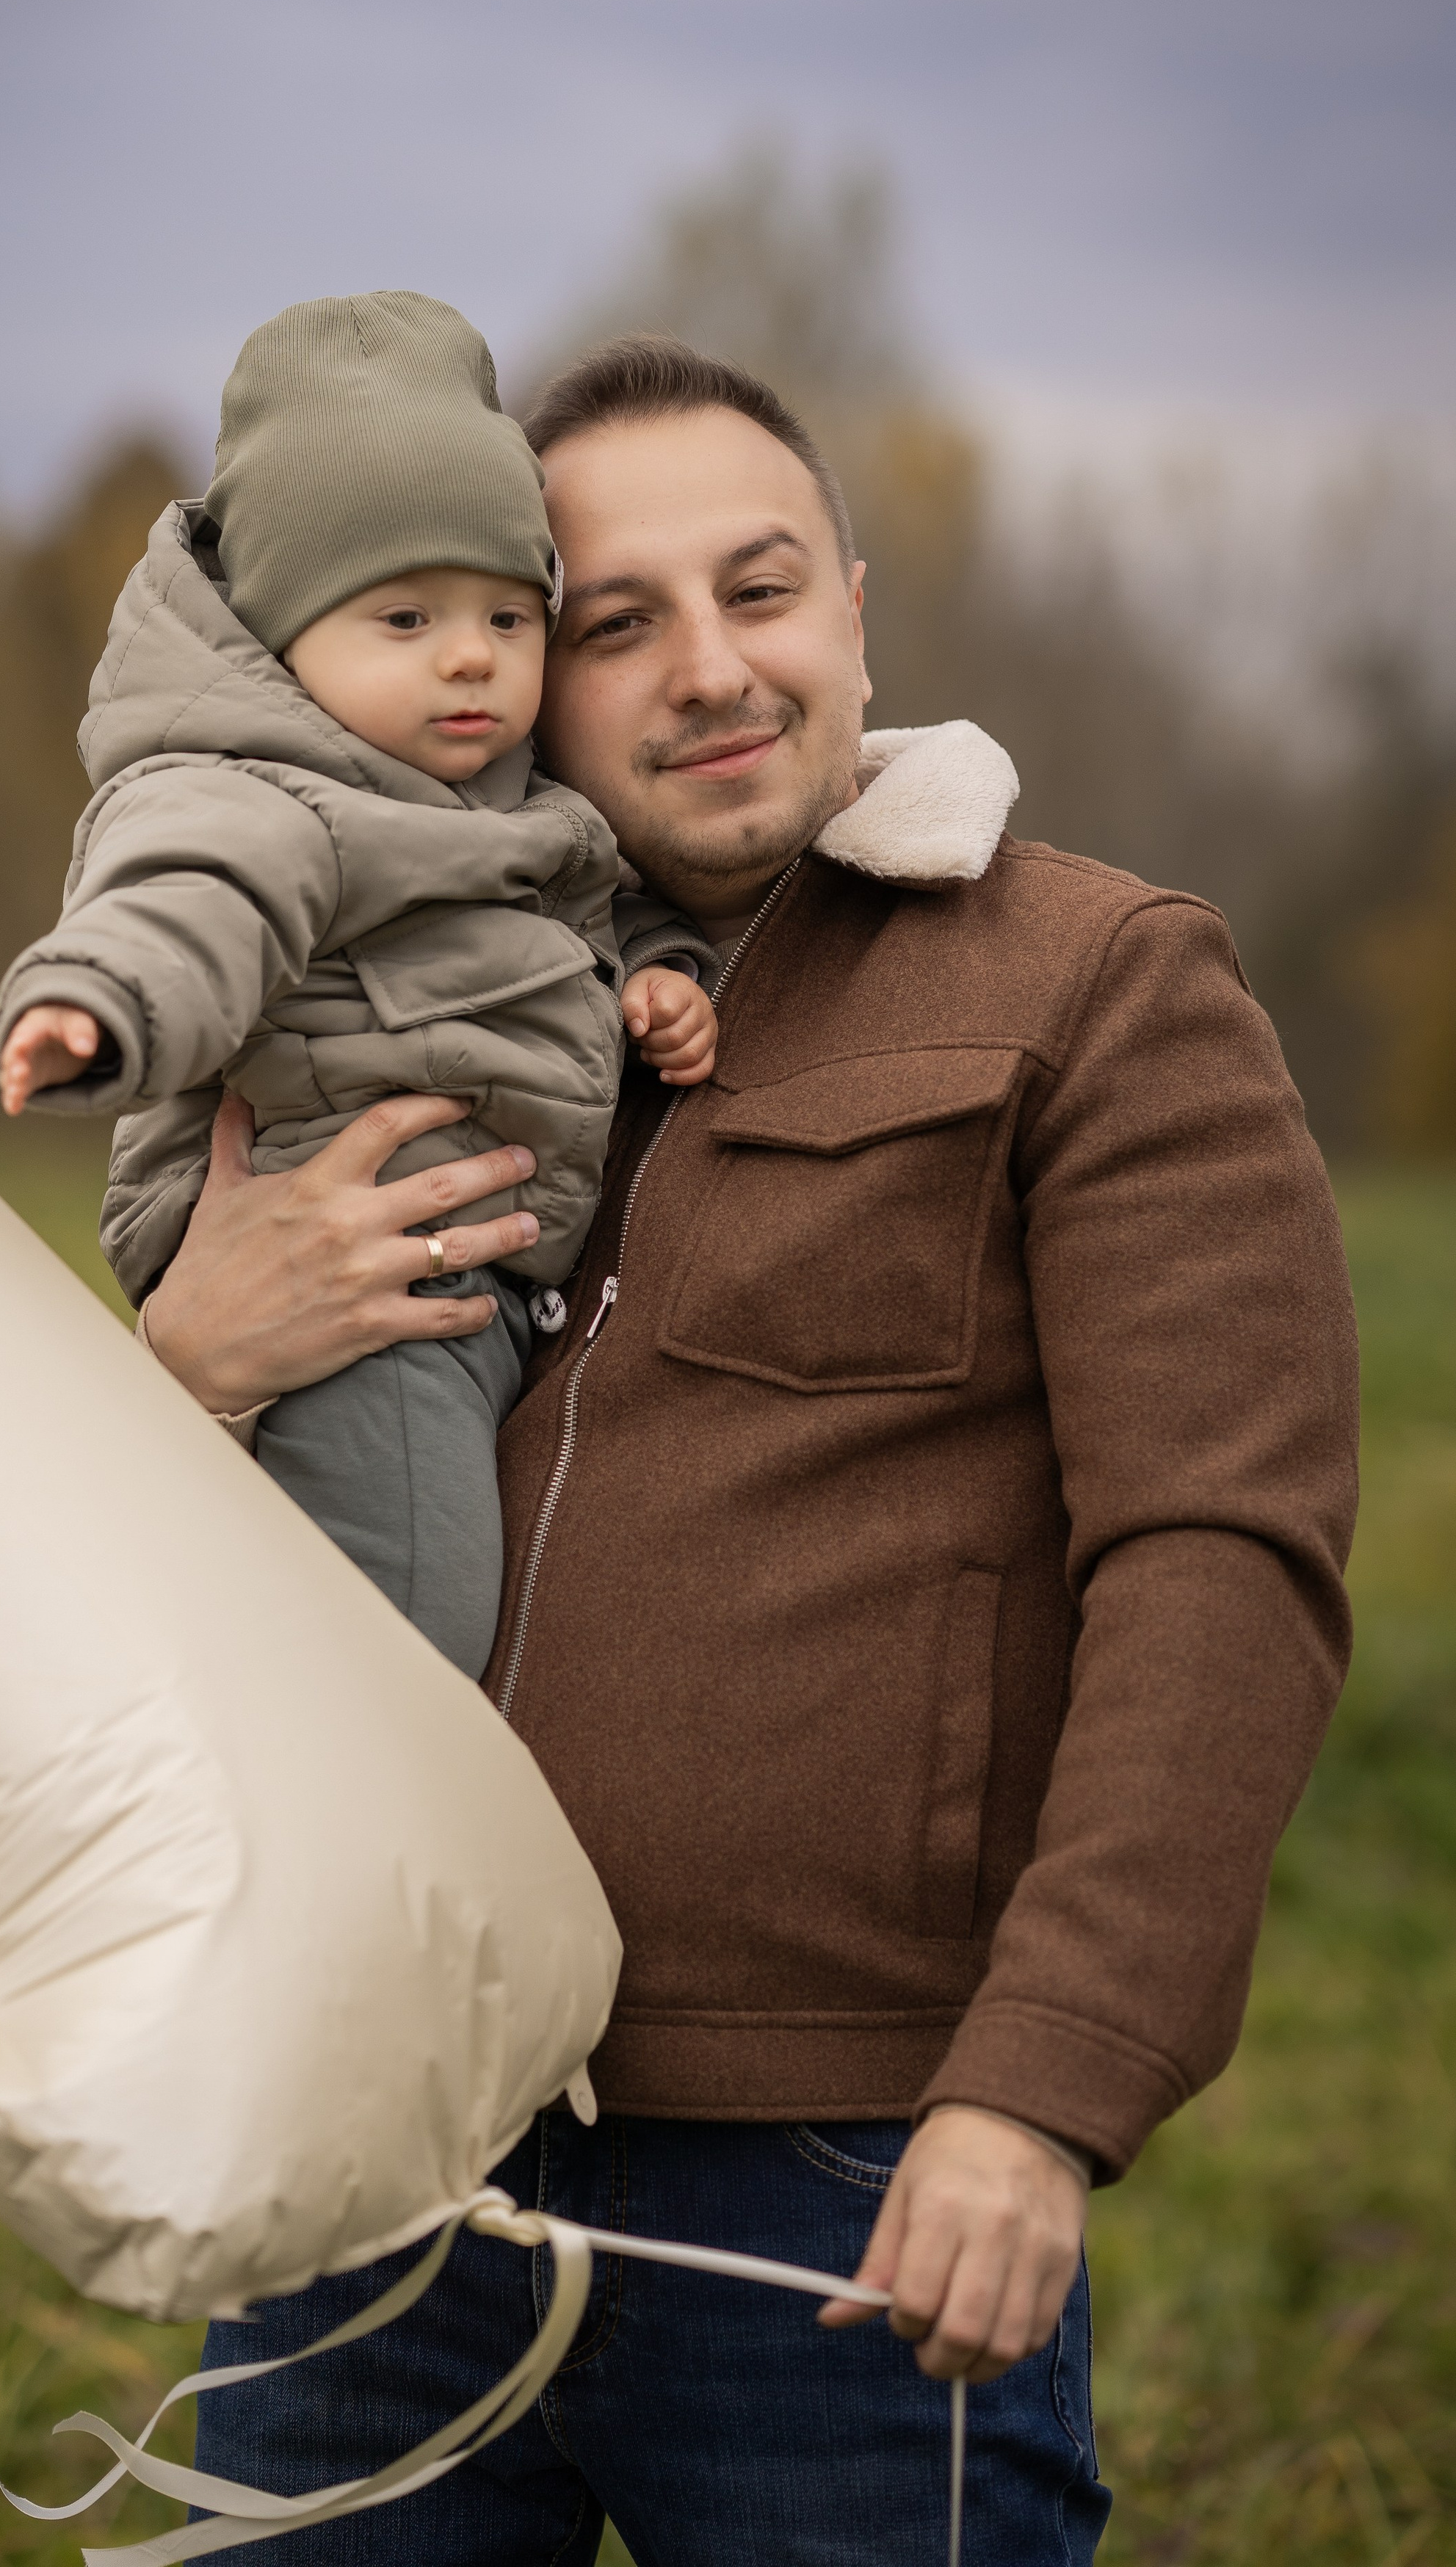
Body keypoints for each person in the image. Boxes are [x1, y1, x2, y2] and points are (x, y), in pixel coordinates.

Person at [131, 338, 1361, 2563]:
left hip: (839, 2193)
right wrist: (189, 1357)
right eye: (619, 621)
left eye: (763, 592)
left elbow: (1222, 1563)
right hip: (387, 2134)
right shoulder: (389, 999)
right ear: (519, 674)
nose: (710, 670)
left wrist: (1041, 2089)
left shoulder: (1097, 982)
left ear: (859, 614)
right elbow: (149, 1562)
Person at [0, 294, 714, 1678]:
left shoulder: (491, 792)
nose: (470, 656)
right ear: (281, 631)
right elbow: (188, 903)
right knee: (413, 1631)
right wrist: (101, 1003)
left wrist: (664, 974)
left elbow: (592, 904)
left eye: (511, 614)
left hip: (456, 1267)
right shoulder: (261, 793)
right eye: (405, 614)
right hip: (344, 1258)